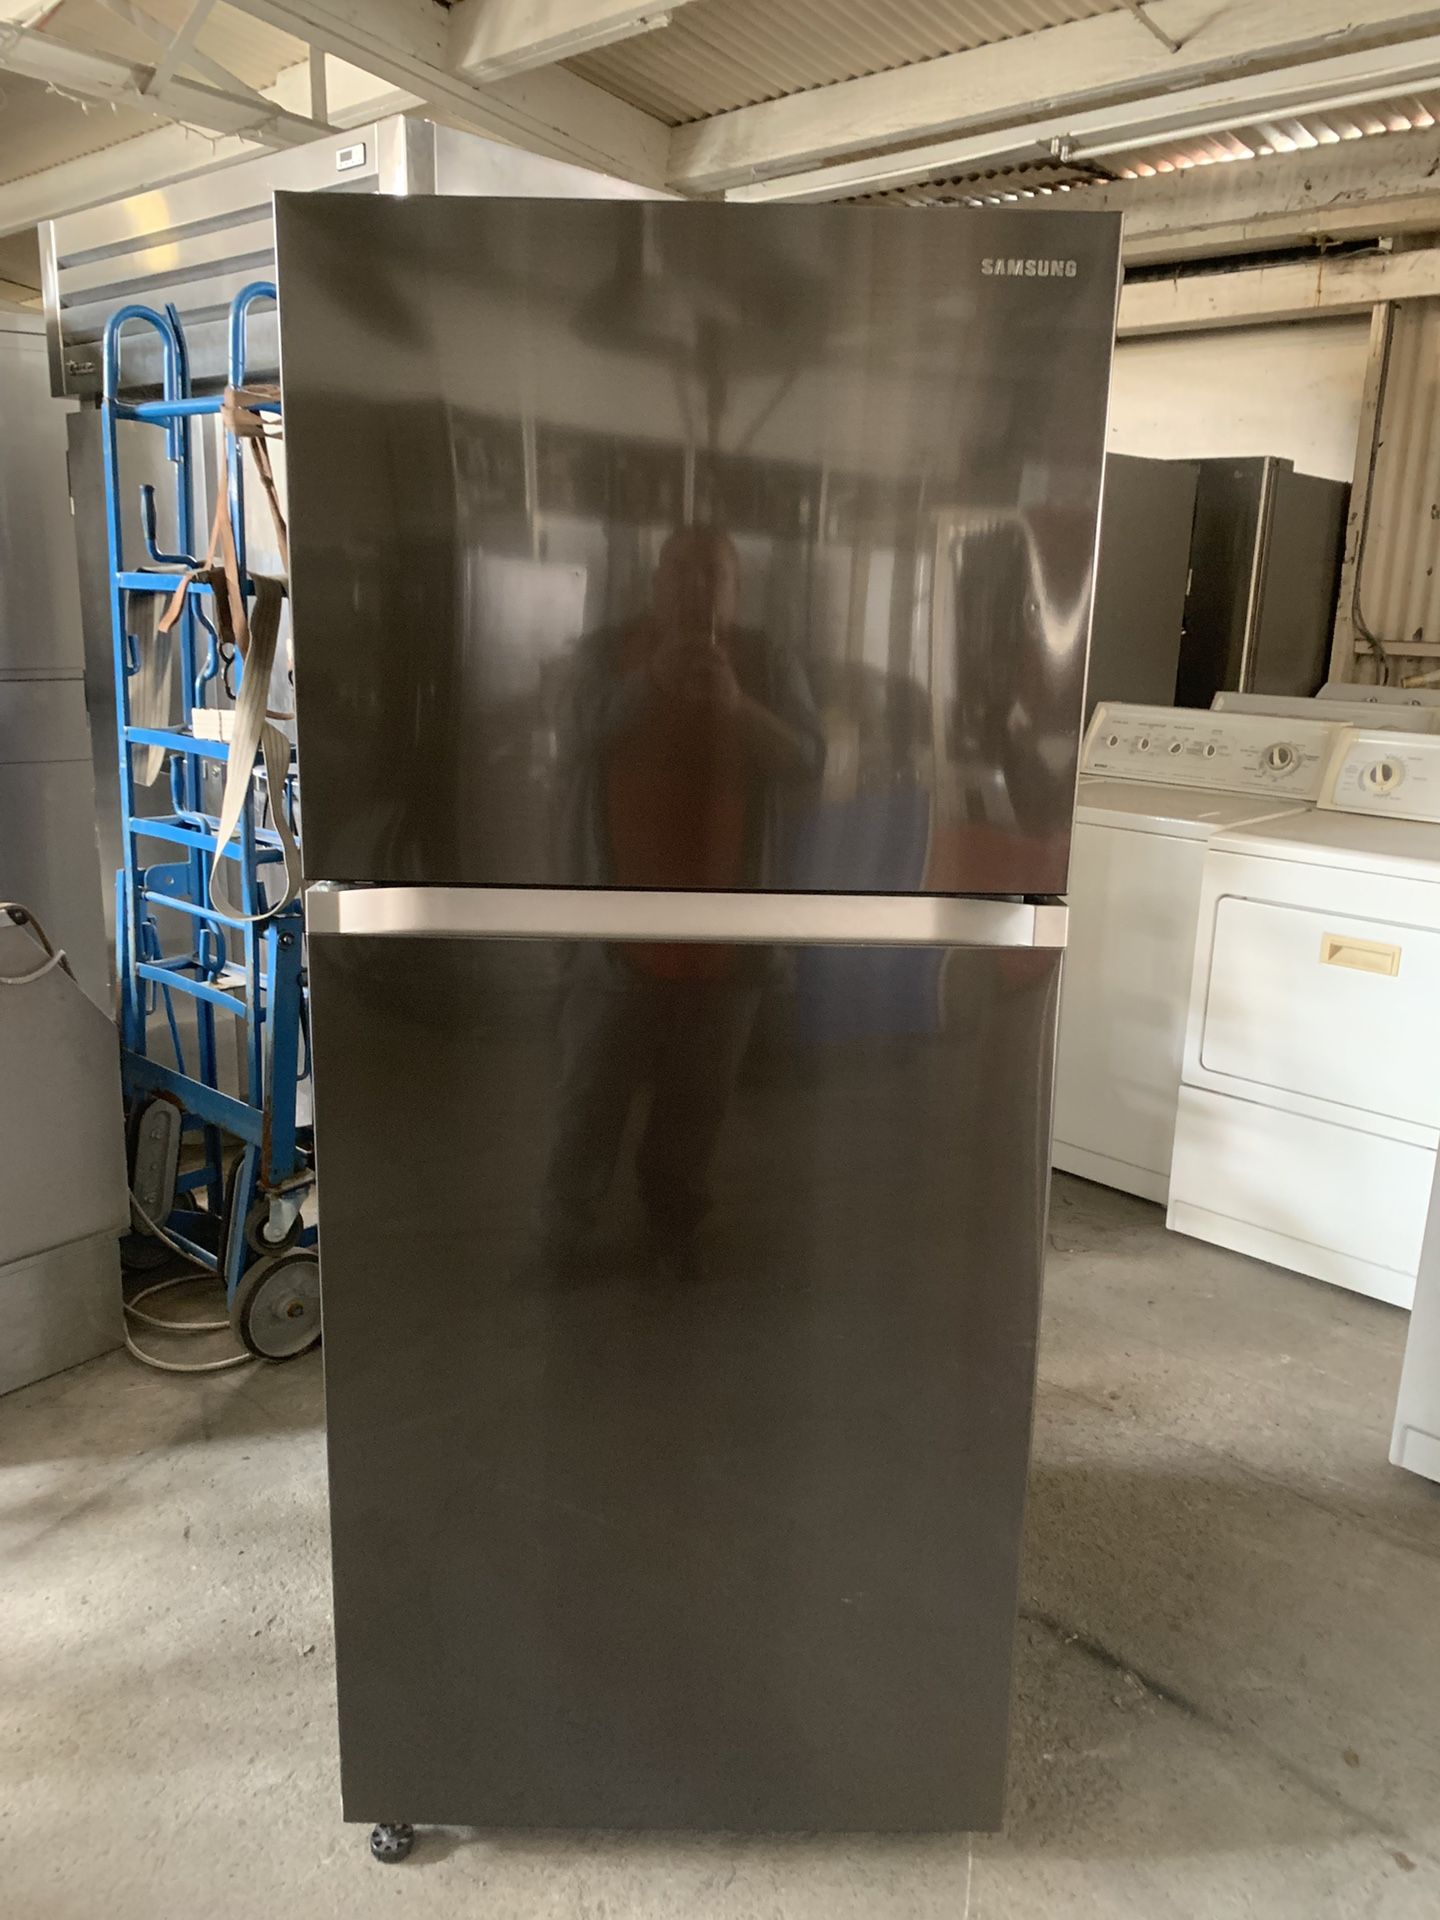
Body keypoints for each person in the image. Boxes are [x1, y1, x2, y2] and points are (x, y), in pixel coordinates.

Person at [538, 525, 823, 1274]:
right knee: (590, 1096)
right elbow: (568, 738)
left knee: (698, 1105)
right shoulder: (608, 651)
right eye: (681, 572)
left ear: (736, 591)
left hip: (733, 936)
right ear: (655, 583)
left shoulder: (767, 661)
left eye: (713, 575)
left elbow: (809, 759)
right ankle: (562, 1236)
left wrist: (737, 705)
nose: (696, 588)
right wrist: (650, 683)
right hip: (611, 931)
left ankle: (672, 1235)